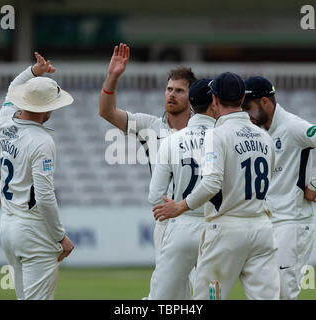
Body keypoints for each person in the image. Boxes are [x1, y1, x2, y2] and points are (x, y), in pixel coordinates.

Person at [153, 72, 280, 300]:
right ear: (242, 98)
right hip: (262, 228)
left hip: (226, 229)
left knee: (207, 298)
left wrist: (182, 206)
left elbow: (212, 181)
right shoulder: (264, 137)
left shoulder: (217, 135)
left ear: (215, 101)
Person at [241, 76, 316, 299]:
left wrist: (314, 185)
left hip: (292, 223)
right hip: (266, 223)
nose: (246, 114)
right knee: (264, 294)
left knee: (283, 293)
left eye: (248, 108)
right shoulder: (258, 131)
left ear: (265, 102)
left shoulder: (293, 126)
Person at [98, 43, 197, 258]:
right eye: (169, 89)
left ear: (192, 97)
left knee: (203, 288)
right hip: (166, 222)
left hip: (198, 218)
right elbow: (107, 112)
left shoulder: (204, 130)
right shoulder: (150, 126)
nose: (171, 94)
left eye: (180, 90)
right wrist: (113, 76)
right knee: (166, 291)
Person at [0, 52, 75, 300]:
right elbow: (44, 196)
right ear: (47, 108)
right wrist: (60, 236)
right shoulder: (41, 141)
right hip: (32, 231)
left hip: (8, 226)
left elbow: (13, 87)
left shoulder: (5, 121)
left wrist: (34, 71)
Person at [147, 79, 217, 299]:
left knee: (163, 297)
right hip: (216, 228)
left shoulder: (172, 140)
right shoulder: (226, 138)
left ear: (192, 104)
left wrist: (173, 208)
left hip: (181, 225)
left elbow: (155, 195)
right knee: (209, 295)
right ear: (215, 103)